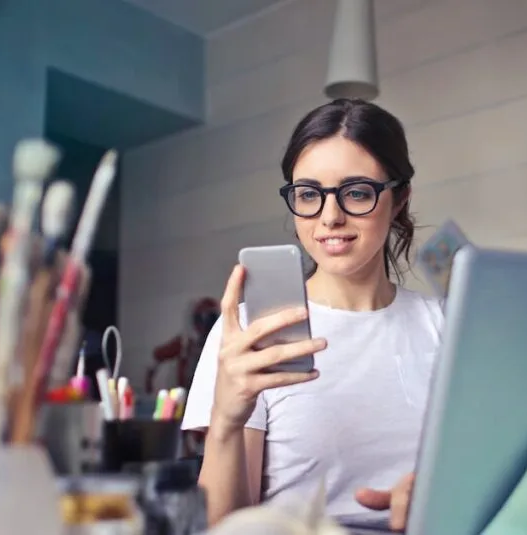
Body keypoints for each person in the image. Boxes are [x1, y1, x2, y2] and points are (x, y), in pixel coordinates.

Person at [181, 98, 444, 532]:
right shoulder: (252, 332)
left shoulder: (445, 326)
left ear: (399, 199)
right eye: (308, 195)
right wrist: (227, 420)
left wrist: (441, 496)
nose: (330, 217)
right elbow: (224, 527)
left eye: (357, 192)